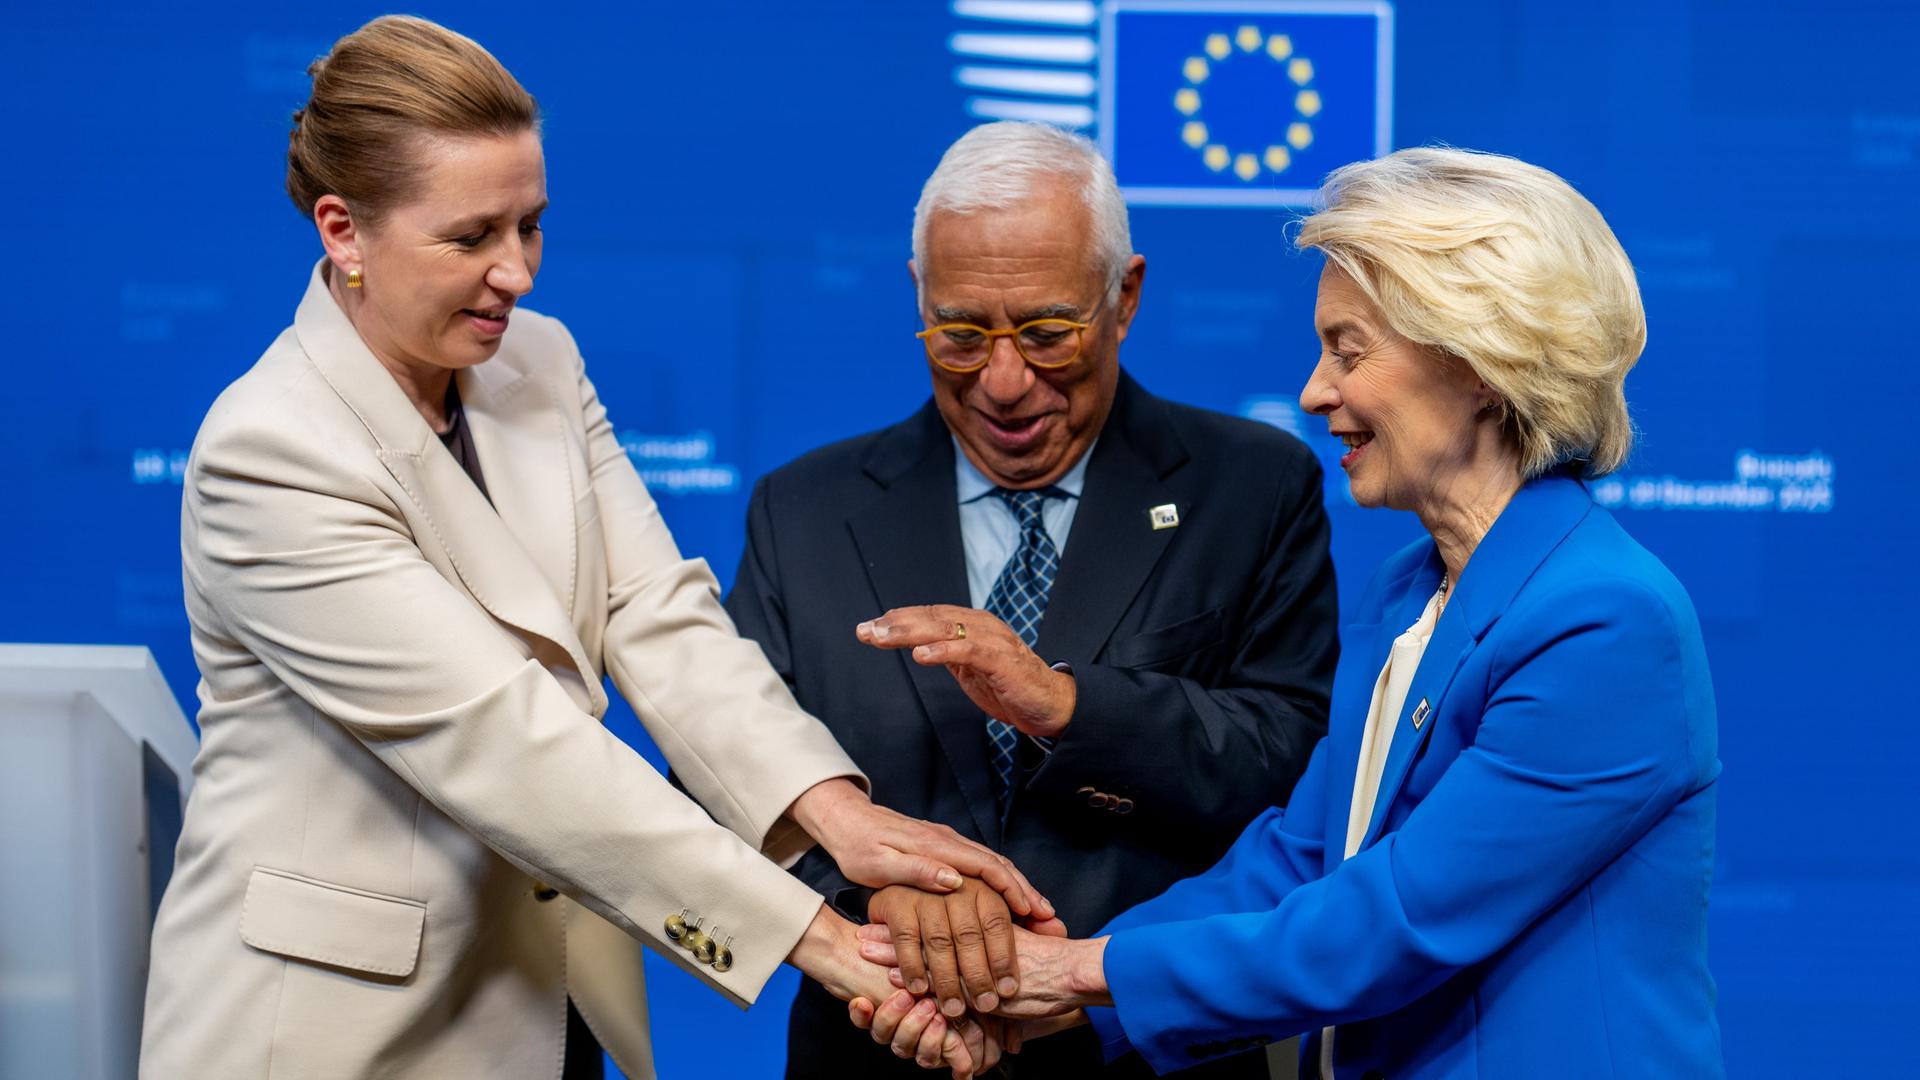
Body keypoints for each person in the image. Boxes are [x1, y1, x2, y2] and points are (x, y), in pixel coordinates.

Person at [139, 17, 1040, 1080]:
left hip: (548, 994)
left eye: (532, 226)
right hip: (336, 1032)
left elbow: (658, 616)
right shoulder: (272, 450)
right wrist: (828, 944)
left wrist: (839, 818)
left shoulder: (540, 362)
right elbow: (510, 747)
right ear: (343, 231)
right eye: (471, 237)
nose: (515, 273)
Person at [857, 147, 1725, 1078]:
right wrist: (1038, 998)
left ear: (1479, 360)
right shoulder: (1411, 591)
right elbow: (1295, 860)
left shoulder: (1604, 622)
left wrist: (1069, 972)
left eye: (1348, 351)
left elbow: (1396, 918)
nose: (1315, 393)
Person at [726, 120, 1339, 1078]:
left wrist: (1065, 705)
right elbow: (725, 779)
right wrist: (878, 898)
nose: (1005, 384)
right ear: (918, 299)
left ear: (1125, 296)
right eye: (962, 334)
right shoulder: (804, 510)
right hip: (878, 1049)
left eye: (1049, 333)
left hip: (1147, 1053)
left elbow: (1290, 773)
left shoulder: (1253, 488)